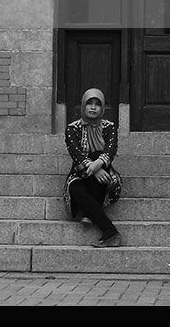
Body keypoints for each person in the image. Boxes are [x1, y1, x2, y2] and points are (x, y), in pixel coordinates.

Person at [63, 88, 122, 247]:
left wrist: (98, 163)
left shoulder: (109, 127)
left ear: (102, 108)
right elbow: (75, 153)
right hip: (80, 173)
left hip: (104, 177)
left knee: (97, 154)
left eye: (98, 104)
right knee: (74, 188)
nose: (93, 107)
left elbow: (111, 149)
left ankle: (92, 215)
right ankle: (109, 230)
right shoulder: (72, 128)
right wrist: (94, 168)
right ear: (83, 105)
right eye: (89, 103)